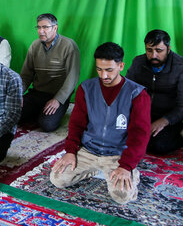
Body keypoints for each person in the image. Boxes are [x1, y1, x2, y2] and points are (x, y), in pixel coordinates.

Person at [50, 42, 151, 204]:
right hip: (89, 150)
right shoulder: (86, 88)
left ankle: (132, 173)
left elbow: (140, 135)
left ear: (121, 66)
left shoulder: (138, 94)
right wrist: (70, 151)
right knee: (58, 179)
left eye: (109, 70)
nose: (103, 75)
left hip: (117, 155)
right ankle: (96, 170)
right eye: (99, 69)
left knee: (122, 197)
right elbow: (76, 124)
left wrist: (126, 165)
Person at [126, 30, 183, 155]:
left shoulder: (182, 66)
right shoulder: (138, 62)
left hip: (168, 118)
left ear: (168, 49)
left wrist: (163, 121)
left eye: (159, 50)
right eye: (149, 50)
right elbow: (126, 90)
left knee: (158, 146)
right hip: (141, 115)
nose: (153, 55)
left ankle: (181, 134)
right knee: (119, 137)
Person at [20, 13, 80, 132]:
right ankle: (38, 111)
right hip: (36, 94)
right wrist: (18, 93)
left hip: (56, 95)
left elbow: (72, 78)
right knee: (12, 115)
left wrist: (58, 100)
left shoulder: (69, 45)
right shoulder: (35, 45)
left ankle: (44, 112)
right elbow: (26, 75)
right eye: (38, 27)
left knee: (47, 125)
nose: (41, 31)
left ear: (55, 28)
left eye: (45, 27)